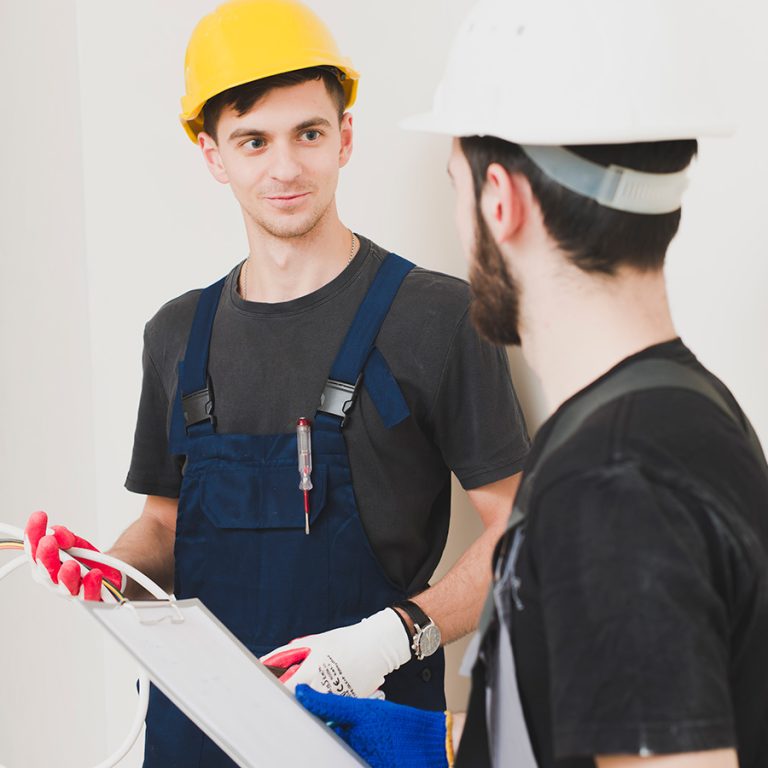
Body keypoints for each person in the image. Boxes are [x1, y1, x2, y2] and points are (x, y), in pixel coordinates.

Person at [23, 1, 530, 766]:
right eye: (253, 141)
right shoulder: (175, 335)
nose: (285, 167)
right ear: (212, 154)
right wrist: (111, 576)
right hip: (194, 740)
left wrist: (396, 634)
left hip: (370, 733)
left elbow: (518, 527)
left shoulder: (436, 317)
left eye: (309, 134)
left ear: (345, 137)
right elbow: (164, 527)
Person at [296, 1, 768, 767]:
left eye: (456, 185)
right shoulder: (672, 417)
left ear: (500, 202)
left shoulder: (615, 481)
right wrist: (439, 745)